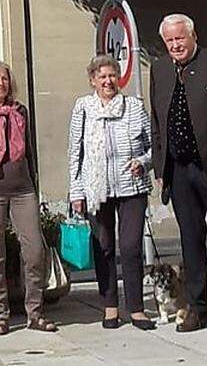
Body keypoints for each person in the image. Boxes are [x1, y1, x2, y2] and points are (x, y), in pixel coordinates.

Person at [149, 13, 207, 333]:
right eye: (170, 40)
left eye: (180, 38)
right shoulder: (160, 69)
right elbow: (157, 122)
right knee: (190, 242)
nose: (176, 45)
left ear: (193, 36)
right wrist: (160, 165)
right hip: (178, 170)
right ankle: (198, 308)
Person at [0, 60, 56, 335]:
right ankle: (1, 314)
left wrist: (36, 181)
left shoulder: (21, 112)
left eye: (4, 79)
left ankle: (35, 312)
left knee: (34, 251)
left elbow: (28, 150)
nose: (0, 84)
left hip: (22, 190)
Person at [69, 54, 155, 331]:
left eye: (112, 76)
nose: (108, 81)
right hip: (96, 189)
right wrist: (76, 191)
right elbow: (75, 152)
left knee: (130, 248)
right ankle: (110, 307)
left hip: (131, 187)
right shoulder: (83, 107)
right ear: (93, 80)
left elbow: (154, 145)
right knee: (104, 246)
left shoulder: (133, 107)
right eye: (102, 77)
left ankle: (137, 309)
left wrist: (143, 162)